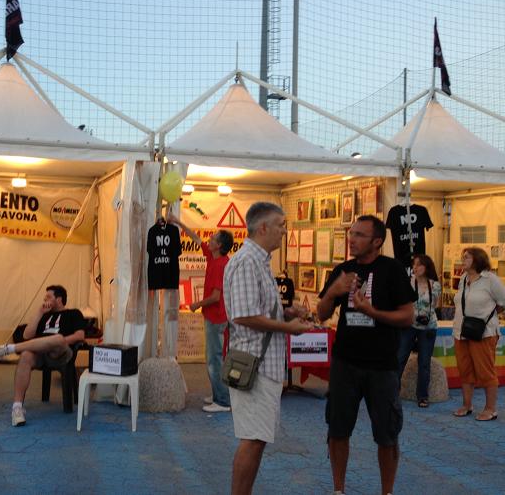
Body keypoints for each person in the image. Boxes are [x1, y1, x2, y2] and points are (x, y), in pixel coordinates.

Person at [317, 215, 416, 495]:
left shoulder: (392, 270)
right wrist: (332, 292)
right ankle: (338, 489)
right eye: (352, 233)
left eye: (360, 235)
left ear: (377, 242)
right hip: (345, 363)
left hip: (382, 366)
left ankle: (387, 491)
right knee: (337, 429)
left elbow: (407, 317)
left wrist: (371, 312)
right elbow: (321, 314)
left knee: (387, 434)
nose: (352, 239)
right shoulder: (343, 270)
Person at [224, 202, 312, 495]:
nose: (285, 232)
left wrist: (285, 312)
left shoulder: (258, 261)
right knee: (253, 439)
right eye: (281, 225)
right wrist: (288, 327)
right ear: (263, 228)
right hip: (255, 365)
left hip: (262, 365)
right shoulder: (248, 262)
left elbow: (255, 309)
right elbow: (244, 316)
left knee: (257, 438)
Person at [0, 285, 86, 427]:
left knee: (57, 339)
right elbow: (26, 335)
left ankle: (9, 349)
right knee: (26, 355)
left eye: (48, 297)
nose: (45, 299)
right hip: (41, 354)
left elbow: (80, 336)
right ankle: (17, 408)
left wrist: (60, 341)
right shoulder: (44, 315)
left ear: (59, 299)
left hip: (61, 353)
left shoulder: (74, 313)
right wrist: (39, 313)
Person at [168, 213, 234, 413]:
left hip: (217, 317)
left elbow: (215, 297)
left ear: (219, 246)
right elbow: (196, 238)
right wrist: (178, 221)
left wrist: (197, 304)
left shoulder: (221, 265)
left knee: (214, 359)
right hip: (214, 316)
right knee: (213, 357)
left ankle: (222, 401)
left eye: (213, 239)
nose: (209, 240)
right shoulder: (213, 257)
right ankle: (218, 394)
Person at [452, 247, 505, 421]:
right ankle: (467, 405)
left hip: (484, 333)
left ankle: (491, 409)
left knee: (486, 371)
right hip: (461, 332)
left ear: (478, 259)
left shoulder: (490, 279)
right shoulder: (463, 278)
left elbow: (503, 301)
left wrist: (487, 316)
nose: (463, 259)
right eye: (463, 256)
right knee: (465, 370)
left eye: (466, 257)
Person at [397, 254, 441, 408]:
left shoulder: (435, 285)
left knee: (424, 362)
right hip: (408, 325)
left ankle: (422, 396)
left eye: (419, 265)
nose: (415, 267)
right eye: (414, 264)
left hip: (428, 326)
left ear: (426, 267)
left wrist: (422, 313)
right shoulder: (407, 282)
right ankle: (392, 392)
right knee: (400, 358)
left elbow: (435, 305)